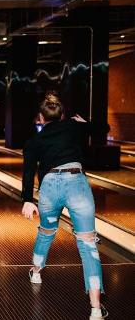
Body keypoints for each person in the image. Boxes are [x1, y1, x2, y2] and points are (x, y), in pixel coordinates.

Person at [21, 93, 109, 320]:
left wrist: (28, 200)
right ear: (62, 115)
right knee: (88, 246)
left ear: (40, 118)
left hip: (50, 187)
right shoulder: (73, 126)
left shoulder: (34, 141)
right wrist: (83, 124)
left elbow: (29, 171)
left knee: (46, 233)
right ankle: (96, 309)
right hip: (77, 184)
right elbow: (103, 128)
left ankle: (36, 272)